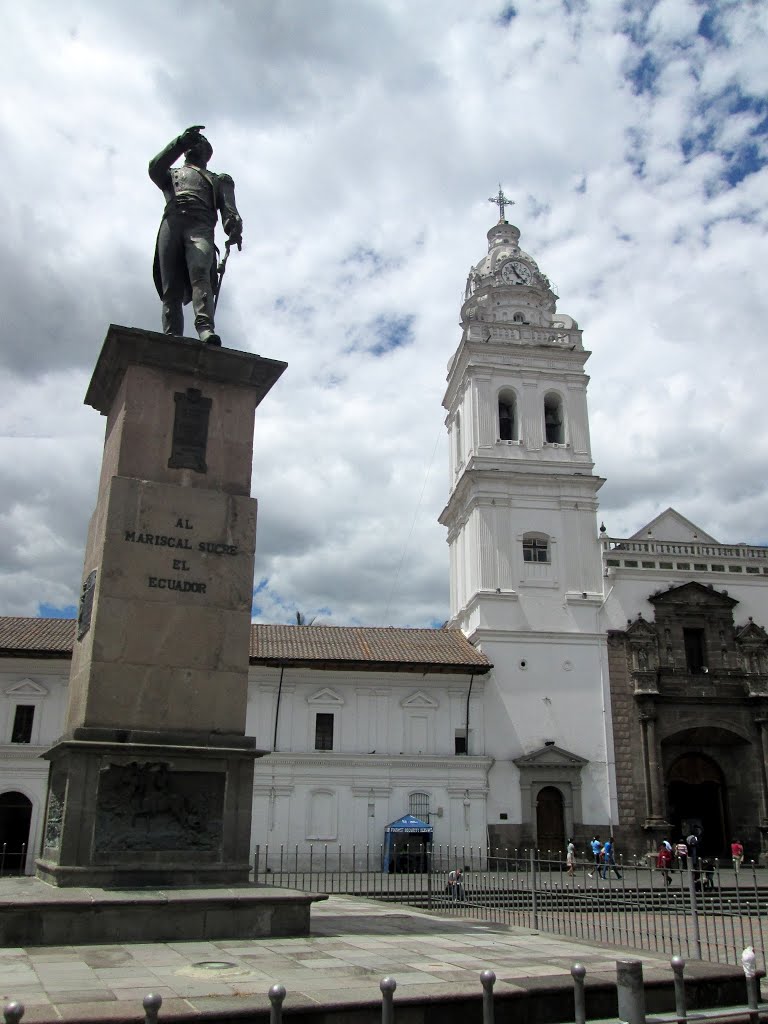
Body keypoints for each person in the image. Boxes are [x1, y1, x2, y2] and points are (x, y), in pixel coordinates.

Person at [149, 125, 243, 346]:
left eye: (197, 143)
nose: (192, 147)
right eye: (190, 144)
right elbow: (154, 168)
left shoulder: (218, 179)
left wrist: (233, 226)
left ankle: (205, 329)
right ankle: (172, 335)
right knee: (170, 285)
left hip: (200, 226)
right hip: (172, 223)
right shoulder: (171, 174)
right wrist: (180, 141)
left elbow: (229, 211)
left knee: (200, 271)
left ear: (206, 152)